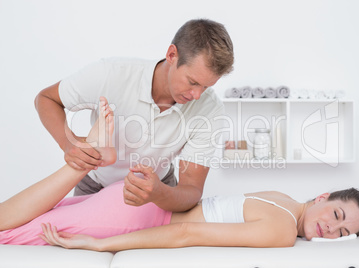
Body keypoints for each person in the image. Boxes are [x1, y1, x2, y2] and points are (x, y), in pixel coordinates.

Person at [0, 98, 359, 249]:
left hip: (133, 202)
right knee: (8, 231)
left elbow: (321, 220)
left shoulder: (285, 201)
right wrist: (98, 245)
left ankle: (90, 154)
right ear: (324, 197)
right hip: (141, 214)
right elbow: (186, 232)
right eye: (338, 217)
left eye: (342, 233)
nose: (332, 228)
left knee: (29, 215)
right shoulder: (280, 230)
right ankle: (84, 155)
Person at [34, 18, 234, 212]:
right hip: (94, 186)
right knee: (80, 243)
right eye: (193, 82)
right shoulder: (111, 74)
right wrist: (68, 143)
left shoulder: (209, 108)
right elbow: (46, 99)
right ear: (172, 55)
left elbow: (191, 190)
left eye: (206, 87)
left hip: (160, 191)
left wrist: (159, 193)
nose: (197, 95)